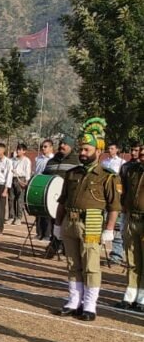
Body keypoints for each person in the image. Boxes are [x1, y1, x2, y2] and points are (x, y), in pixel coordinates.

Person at [55, 118, 121, 321]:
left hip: (91, 223)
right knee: (73, 263)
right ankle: (74, 300)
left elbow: (114, 206)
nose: (82, 153)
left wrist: (109, 228)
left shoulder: (108, 176)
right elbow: (62, 201)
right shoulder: (72, 173)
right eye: (81, 149)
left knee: (91, 265)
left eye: (86, 150)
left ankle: (90, 304)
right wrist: (58, 224)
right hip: (70, 222)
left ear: (97, 151)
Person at [114, 151, 144, 311]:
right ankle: (129, 295)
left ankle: (142, 299)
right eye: (141, 152)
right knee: (132, 260)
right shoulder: (132, 170)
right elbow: (123, 191)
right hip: (131, 218)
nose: (141, 155)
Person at [34, 140, 56, 240]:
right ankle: (39, 232)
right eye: (42, 147)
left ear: (51, 148)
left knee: (47, 211)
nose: (43, 148)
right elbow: (36, 172)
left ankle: (47, 234)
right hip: (38, 186)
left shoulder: (54, 159)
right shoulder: (38, 158)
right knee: (38, 211)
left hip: (48, 187)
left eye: (45, 146)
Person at [10, 143, 32, 225]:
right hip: (12, 179)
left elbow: (28, 172)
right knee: (11, 199)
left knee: (19, 199)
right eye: (17, 149)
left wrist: (26, 181)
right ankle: (11, 216)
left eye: (20, 149)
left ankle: (18, 218)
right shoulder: (12, 160)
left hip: (21, 179)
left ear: (24, 151)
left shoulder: (26, 160)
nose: (18, 151)